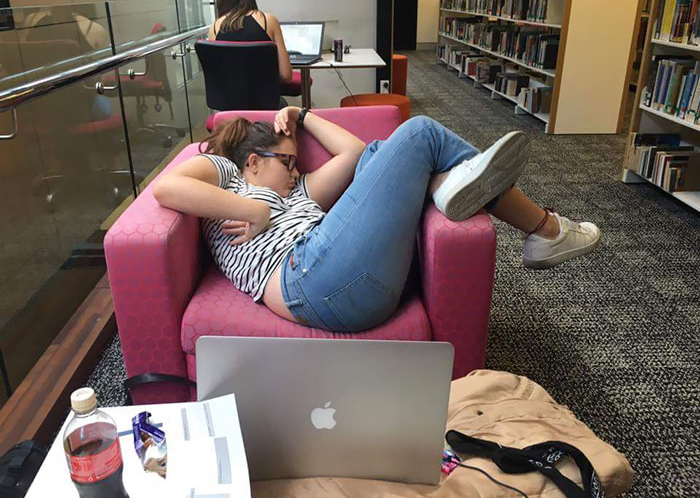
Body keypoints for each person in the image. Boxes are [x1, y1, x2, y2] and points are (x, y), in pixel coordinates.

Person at [154, 108, 600, 332]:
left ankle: (446, 185)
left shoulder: (300, 190)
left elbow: (352, 152)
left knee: (374, 153)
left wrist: (303, 115)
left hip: (342, 274)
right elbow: (167, 188)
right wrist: (256, 209)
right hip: (305, 278)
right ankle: (543, 227)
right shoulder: (229, 177)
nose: (295, 171)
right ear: (252, 162)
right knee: (420, 132)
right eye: (287, 162)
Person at [208, 0, 293, 84]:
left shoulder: (214, 28)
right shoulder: (268, 21)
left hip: (228, 95)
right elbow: (286, 75)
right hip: (265, 95)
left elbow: (216, 76)